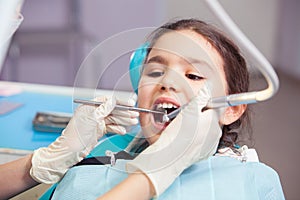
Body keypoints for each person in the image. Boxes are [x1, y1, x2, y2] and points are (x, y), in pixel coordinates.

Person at [41, 19, 285, 200]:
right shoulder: (95, 162)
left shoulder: (255, 182)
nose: (168, 82)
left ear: (231, 109)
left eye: (193, 75)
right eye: (155, 72)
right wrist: (44, 162)